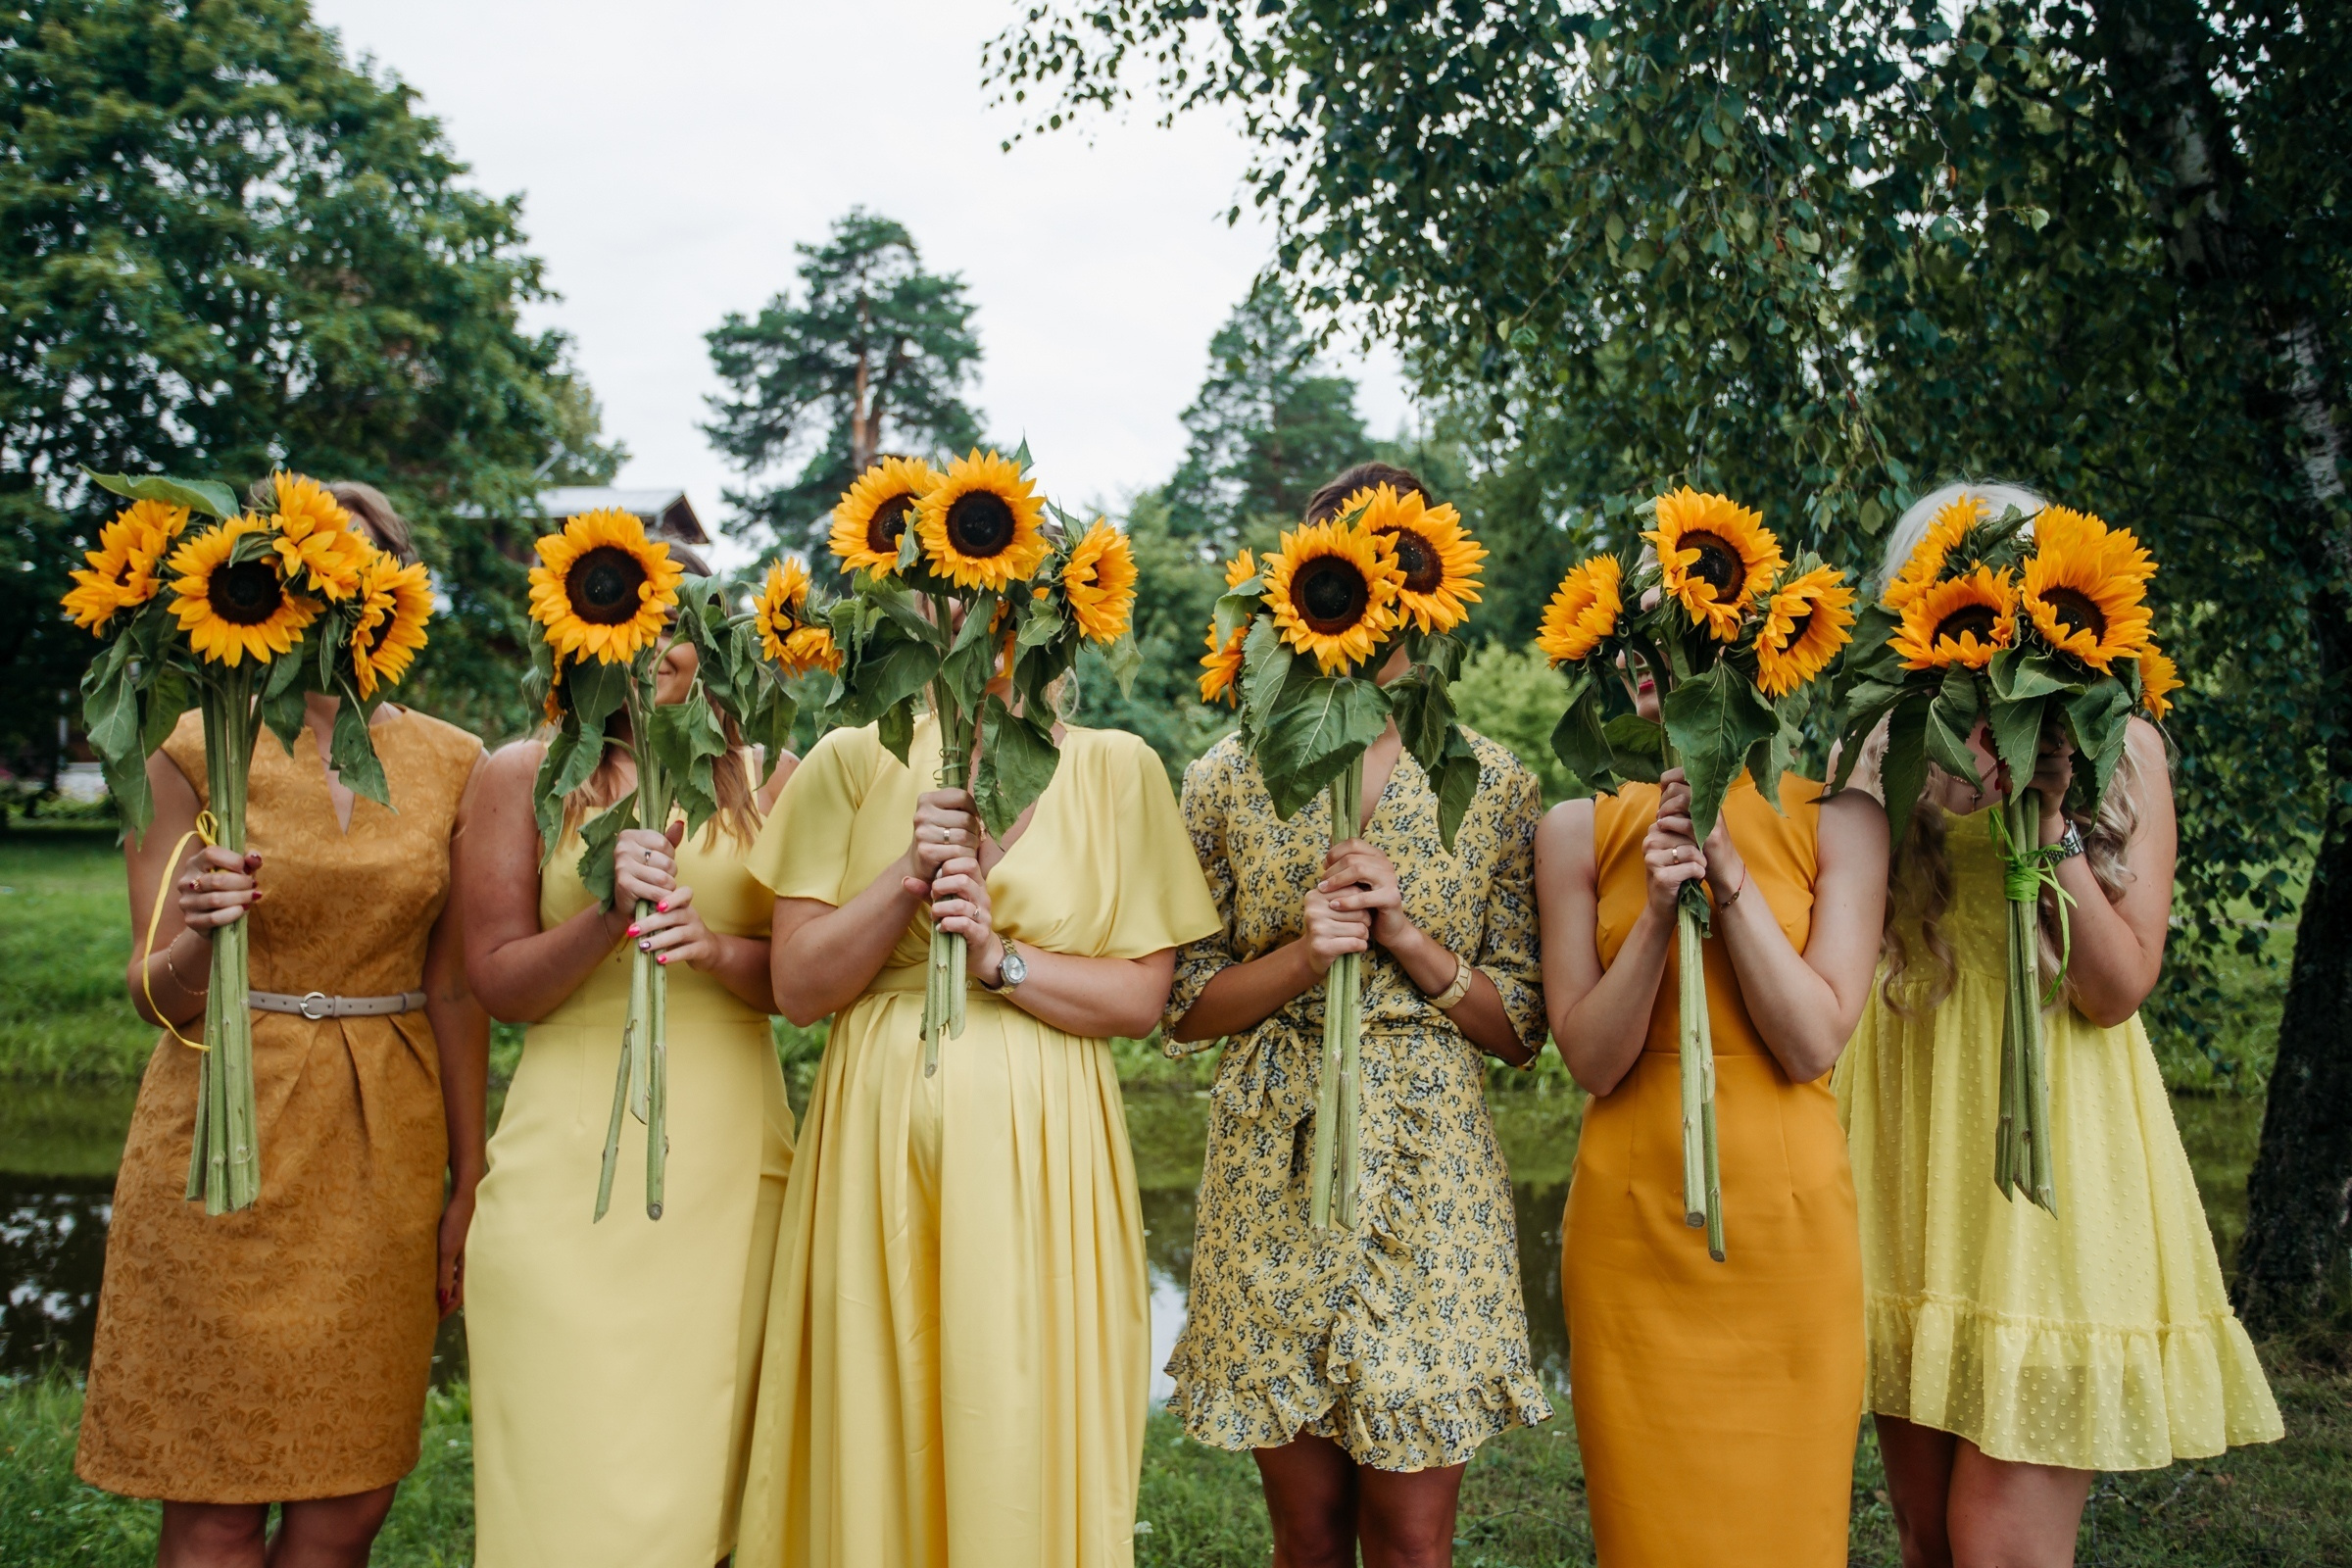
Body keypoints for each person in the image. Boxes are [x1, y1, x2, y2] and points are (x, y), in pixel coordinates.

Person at [1837, 483, 2280, 1568]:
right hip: (1913, 1134)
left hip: (2059, 1152)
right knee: (1930, 1540)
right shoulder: (1889, 745)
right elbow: (1846, 944)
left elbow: (2118, 985)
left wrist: (2051, 821)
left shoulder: (2124, 752)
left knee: (2000, 1547)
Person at [731, 648, 1219, 1568]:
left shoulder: (1118, 765)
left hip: (1049, 1130)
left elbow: (1140, 1001)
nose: (980, 614)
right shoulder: (848, 756)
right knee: (881, 1388)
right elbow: (797, 987)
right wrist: (908, 873)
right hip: (874, 1130)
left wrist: (1000, 960)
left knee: (1018, 1392)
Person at [77, 481, 488, 1568]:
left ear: (394, 585)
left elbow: (455, 989)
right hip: (223, 1137)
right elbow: (156, 991)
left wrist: (471, 1178)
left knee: (348, 1499)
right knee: (215, 1503)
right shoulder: (187, 743)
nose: (335, 590)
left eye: (362, 566)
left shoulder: (456, 763)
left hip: (382, 1140)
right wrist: (202, 934)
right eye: (313, 567)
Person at [1162, 464, 1553, 1568]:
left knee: (1415, 1538)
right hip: (1270, 1157)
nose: (1375, 585)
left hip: (1433, 1173)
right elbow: (1185, 1007)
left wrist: (1408, 938)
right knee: (1306, 1532)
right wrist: (1302, 953)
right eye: (1348, 557)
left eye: (1396, 560)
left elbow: (1521, 1028)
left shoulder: (1491, 781)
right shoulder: (1229, 776)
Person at [460, 545, 796, 1568]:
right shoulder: (519, 774)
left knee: (710, 1487)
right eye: (633, 619)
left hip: (728, 1165)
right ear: (580, 632)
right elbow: (498, 982)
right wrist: (607, 913)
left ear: (714, 642)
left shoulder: (768, 777)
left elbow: (807, 982)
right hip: (565, 1159)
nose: (654, 644)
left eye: (677, 622)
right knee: (569, 1474)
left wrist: (715, 946)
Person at [1535, 619, 1888, 1566]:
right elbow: (1593, 1061)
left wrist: (1727, 877)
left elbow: (1812, 1042)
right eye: (1641, 648)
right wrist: (1655, 913)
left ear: (1758, 662)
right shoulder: (1576, 828)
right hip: (1630, 1223)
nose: (1653, 669)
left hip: (1788, 1228)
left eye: (1692, 646)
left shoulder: (1844, 819)